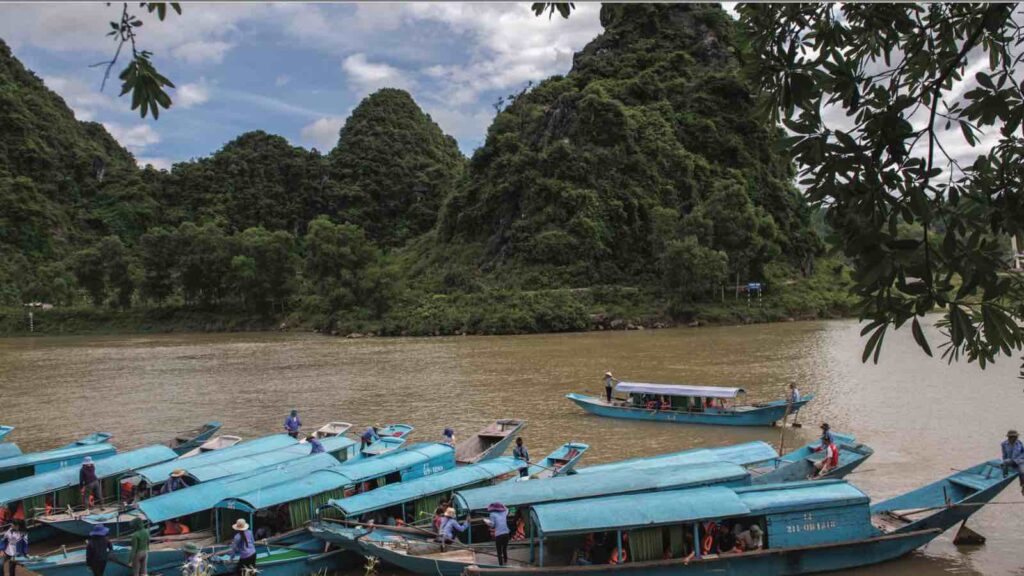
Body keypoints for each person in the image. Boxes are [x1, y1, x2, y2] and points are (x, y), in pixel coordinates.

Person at [1001, 429, 1024, 495]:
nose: (1015, 438)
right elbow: (1004, 454)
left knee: (1022, 472)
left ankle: (1023, 486)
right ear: (1009, 437)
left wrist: (1018, 460)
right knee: (1005, 461)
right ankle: (1005, 476)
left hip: (1020, 461)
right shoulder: (1004, 444)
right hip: (1010, 460)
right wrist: (1004, 463)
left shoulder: (1020, 443)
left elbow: (1023, 453)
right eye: (1013, 437)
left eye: (1016, 437)